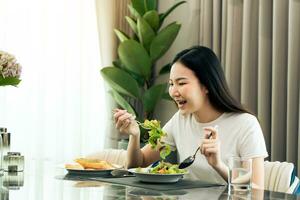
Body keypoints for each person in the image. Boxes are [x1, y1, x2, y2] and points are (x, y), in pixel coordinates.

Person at [113, 46, 268, 189]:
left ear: (206, 85)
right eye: (171, 84)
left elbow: (256, 189)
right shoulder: (180, 120)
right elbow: (136, 164)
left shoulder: (245, 124)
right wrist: (135, 135)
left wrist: (218, 165)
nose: (173, 91)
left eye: (181, 83)